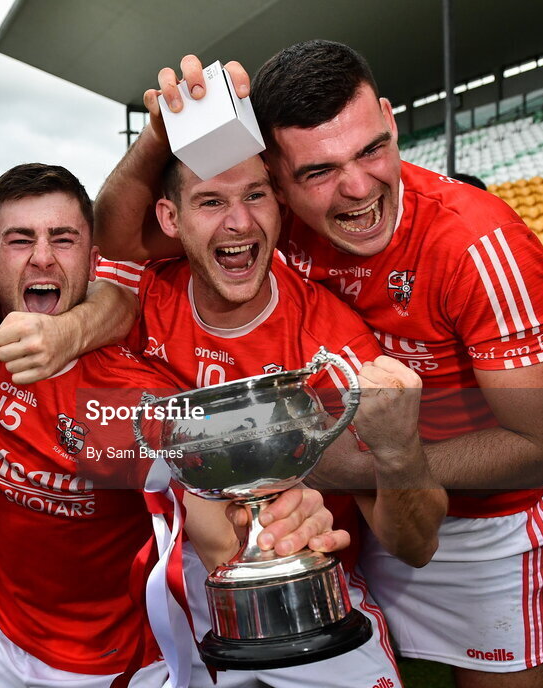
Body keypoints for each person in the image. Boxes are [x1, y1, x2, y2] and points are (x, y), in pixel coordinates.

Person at [94, 40, 543, 687]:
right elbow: (117, 236)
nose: (355, 187)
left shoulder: (476, 244)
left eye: (372, 149)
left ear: (390, 118)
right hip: (362, 516)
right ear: (283, 179)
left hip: (479, 525)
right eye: (318, 171)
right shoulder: (272, 217)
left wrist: (347, 459)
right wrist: (160, 133)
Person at [0, 162, 351, 688]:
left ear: (93, 258)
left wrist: (270, 540)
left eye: (63, 239)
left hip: (116, 663)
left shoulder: (126, 398)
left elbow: (216, 531)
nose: (42, 257)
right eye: (20, 241)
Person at [99, 155, 447, 687]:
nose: (239, 222)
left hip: (311, 581)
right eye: (212, 201)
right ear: (170, 219)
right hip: (179, 590)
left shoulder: (334, 341)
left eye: (256, 195)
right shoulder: (140, 296)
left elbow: (416, 546)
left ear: (280, 205)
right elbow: (60, 256)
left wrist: (400, 455)